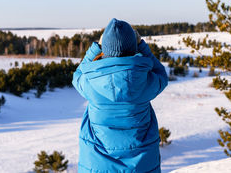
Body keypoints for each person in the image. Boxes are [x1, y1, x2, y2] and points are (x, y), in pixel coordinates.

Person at [72, 18, 169, 172]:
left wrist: (96, 48)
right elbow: (161, 75)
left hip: (98, 165)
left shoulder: (91, 83)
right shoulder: (144, 82)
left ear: (105, 47)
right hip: (140, 165)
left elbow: (78, 74)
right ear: (133, 47)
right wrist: (142, 46)